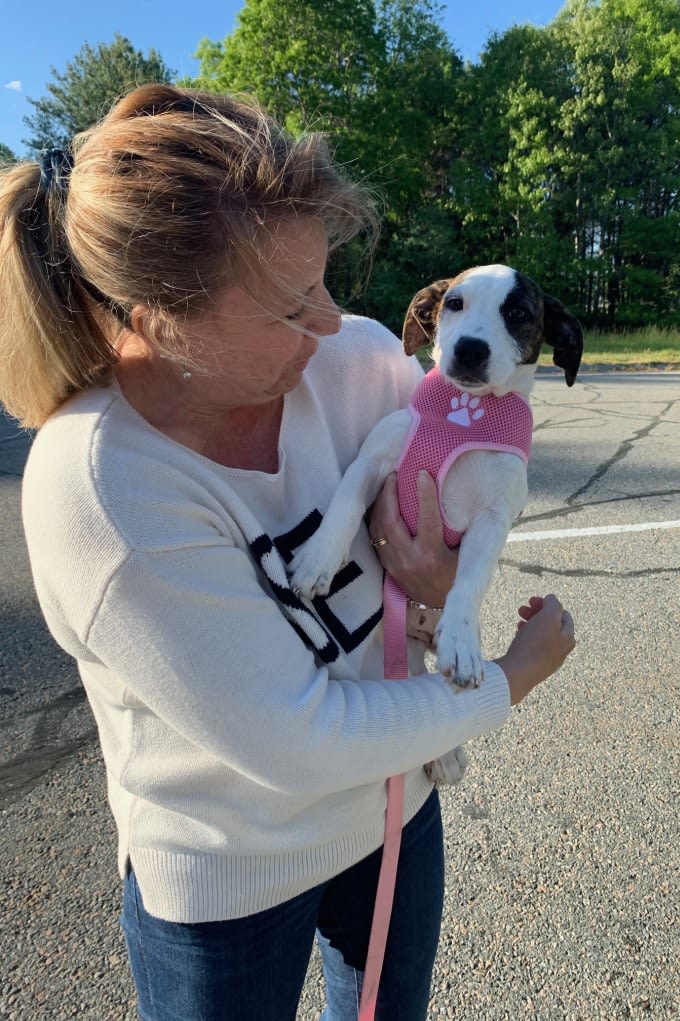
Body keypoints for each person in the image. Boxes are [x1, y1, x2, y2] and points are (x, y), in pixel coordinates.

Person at [0, 84, 576, 1021]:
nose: (332, 319)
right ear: (151, 313)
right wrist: (512, 677)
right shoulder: (100, 485)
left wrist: (436, 586)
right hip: (229, 880)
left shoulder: (347, 358)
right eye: (286, 302)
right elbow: (297, 741)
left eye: (324, 279)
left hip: (392, 813)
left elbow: (466, 507)